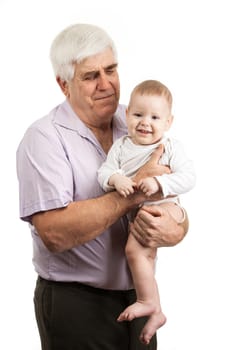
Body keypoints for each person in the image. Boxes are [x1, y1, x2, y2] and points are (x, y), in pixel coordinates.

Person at [16, 23, 189, 350]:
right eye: (90, 76)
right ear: (63, 84)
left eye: (111, 70)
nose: (106, 84)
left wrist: (177, 226)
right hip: (77, 304)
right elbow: (54, 233)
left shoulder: (137, 119)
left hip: (140, 298)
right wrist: (137, 190)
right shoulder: (43, 139)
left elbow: (172, 186)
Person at [98, 79, 196, 344]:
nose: (145, 122)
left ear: (168, 122)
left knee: (134, 251)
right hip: (141, 215)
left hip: (167, 209)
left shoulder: (170, 147)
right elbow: (104, 172)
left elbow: (189, 178)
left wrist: (159, 183)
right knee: (142, 256)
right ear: (127, 115)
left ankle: (147, 301)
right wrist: (116, 179)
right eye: (139, 114)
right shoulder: (121, 147)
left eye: (155, 117)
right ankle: (155, 309)